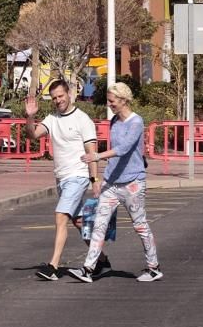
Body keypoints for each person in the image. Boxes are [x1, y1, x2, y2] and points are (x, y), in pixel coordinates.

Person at [67, 83, 162, 283]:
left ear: (123, 100)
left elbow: (125, 149)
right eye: (109, 101)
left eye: (112, 101)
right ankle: (88, 268)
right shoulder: (114, 122)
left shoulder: (136, 122)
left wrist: (97, 156)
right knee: (98, 225)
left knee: (140, 225)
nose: (109, 105)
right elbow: (115, 152)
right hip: (111, 183)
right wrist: (101, 178)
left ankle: (153, 267)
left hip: (133, 182)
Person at [25, 79, 110, 281]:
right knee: (78, 221)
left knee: (60, 216)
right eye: (54, 98)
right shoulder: (52, 118)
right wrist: (30, 117)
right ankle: (101, 259)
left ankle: (53, 266)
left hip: (78, 176)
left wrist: (95, 178)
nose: (58, 101)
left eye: (61, 96)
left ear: (70, 94)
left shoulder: (83, 120)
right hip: (62, 177)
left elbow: (91, 152)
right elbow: (33, 135)